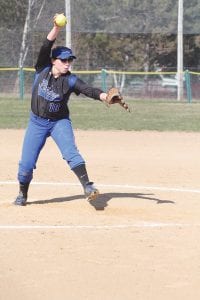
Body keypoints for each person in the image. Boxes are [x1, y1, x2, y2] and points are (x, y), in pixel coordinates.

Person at [14, 15, 108, 206]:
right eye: (64, 60)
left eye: (69, 61)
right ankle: (23, 194)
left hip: (59, 122)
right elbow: (46, 44)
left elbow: (88, 90)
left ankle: (88, 186)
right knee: (25, 165)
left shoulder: (70, 80)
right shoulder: (42, 68)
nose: (67, 64)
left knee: (71, 153)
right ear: (54, 61)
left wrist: (105, 96)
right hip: (37, 122)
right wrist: (57, 27)